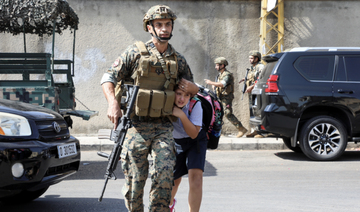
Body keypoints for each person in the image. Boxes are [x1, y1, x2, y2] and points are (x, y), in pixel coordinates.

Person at [100, 5, 198, 212]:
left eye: (168, 24)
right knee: (135, 183)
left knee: (164, 177)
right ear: (149, 27)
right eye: (159, 24)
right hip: (136, 126)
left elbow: (190, 88)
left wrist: (194, 88)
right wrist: (112, 102)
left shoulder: (178, 60)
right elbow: (108, 77)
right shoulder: (135, 53)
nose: (164, 29)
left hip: (163, 126)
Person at [169, 84, 207, 212]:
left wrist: (181, 114)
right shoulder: (165, 102)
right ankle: (169, 205)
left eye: (186, 95)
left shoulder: (195, 104)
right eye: (179, 93)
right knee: (173, 180)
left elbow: (193, 134)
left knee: (196, 179)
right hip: (175, 141)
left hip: (195, 141)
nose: (182, 98)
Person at [204, 57, 248, 138]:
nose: (215, 67)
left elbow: (222, 84)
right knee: (218, 114)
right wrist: (214, 85)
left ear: (222, 65)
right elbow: (219, 84)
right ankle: (218, 131)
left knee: (227, 113)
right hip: (220, 97)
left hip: (226, 97)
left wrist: (211, 83)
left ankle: (241, 128)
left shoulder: (227, 75)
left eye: (217, 65)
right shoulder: (220, 75)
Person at [239, 50, 265, 138]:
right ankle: (255, 131)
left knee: (258, 111)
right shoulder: (252, 68)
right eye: (249, 58)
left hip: (257, 92)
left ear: (256, 58)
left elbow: (261, 79)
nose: (250, 60)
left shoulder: (260, 66)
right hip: (251, 94)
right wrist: (244, 79)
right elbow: (252, 76)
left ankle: (261, 132)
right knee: (252, 112)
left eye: (251, 58)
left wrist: (252, 86)